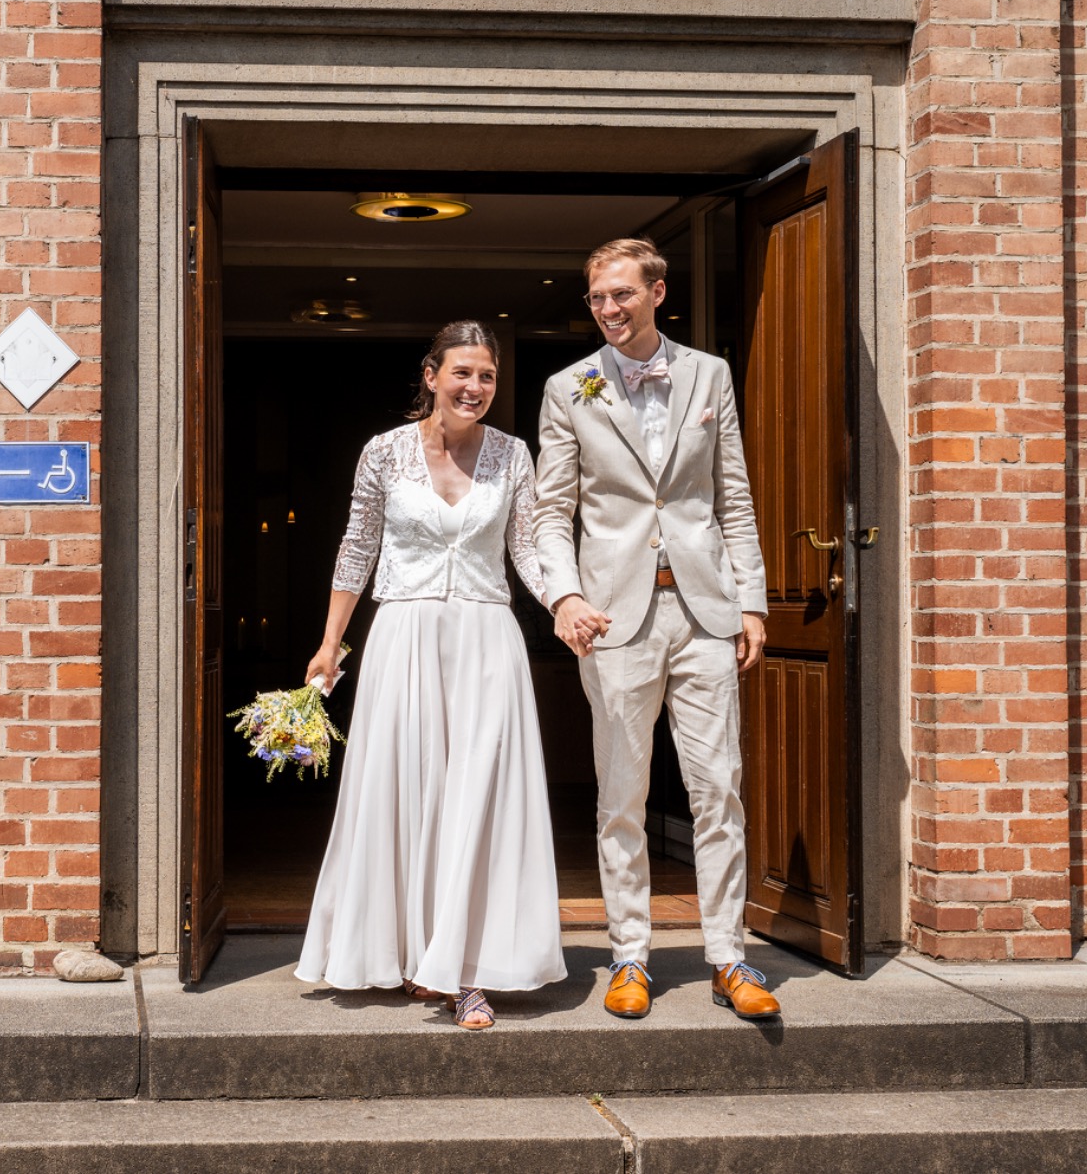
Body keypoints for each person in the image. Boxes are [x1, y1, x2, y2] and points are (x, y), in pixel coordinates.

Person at [533, 237, 781, 1021]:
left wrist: (751, 600)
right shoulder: (568, 387)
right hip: (613, 618)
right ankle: (630, 955)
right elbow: (551, 510)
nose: (609, 309)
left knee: (719, 788)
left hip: (705, 613)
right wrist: (564, 596)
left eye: (622, 294)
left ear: (657, 292)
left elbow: (732, 495)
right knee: (621, 794)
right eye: (597, 298)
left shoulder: (710, 374)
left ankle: (729, 955)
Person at [296, 321, 565, 1031]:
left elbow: (528, 548)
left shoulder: (513, 454)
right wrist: (330, 643)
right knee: (409, 792)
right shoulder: (383, 451)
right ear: (431, 374)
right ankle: (413, 956)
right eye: (462, 373)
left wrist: (564, 604)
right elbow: (357, 547)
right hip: (404, 638)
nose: (475, 387)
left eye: (487, 376)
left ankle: (466, 969)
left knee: (479, 798)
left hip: (486, 639)